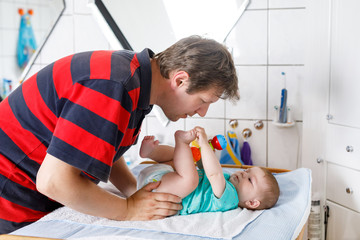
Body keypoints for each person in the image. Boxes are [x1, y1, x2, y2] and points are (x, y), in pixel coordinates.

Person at [0, 35, 239, 233]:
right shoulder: (114, 86)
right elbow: (54, 182)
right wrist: (128, 209)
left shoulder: (134, 81)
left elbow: (104, 149)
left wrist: (133, 190)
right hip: (10, 196)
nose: (202, 112)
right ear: (180, 80)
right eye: (203, 101)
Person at [138, 127, 280, 214]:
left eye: (249, 179)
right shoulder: (226, 179)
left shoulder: (230, 199)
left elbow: (213, 173)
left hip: (161, 193)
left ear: (252, 203)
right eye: (247, 170)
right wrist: (201, 154)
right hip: (163, 180)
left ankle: (182, 142)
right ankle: (152, 152)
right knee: (179, 157)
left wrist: (204, 144)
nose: (243, 173)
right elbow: (206, 169)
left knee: (189, 179)